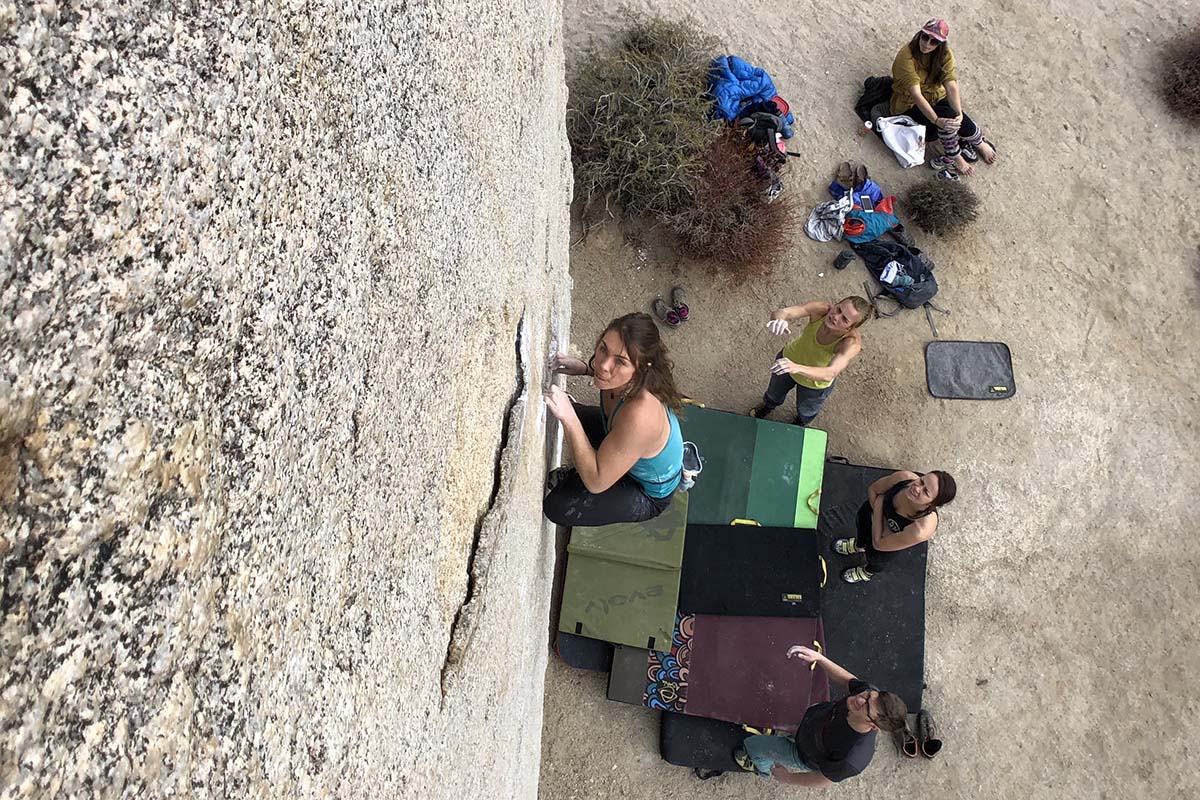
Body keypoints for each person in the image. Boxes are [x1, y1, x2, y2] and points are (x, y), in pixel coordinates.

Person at [543, 312, 685, 527]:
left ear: (640, 369)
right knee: (560, 409)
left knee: (558, 506)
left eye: (620, 361)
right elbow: (608, 368)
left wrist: (569, 419)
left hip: (644, 491)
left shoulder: (641, 416)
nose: (603, 366)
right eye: (603, 349)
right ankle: (594, 462)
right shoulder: (628, 380)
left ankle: (584, 474)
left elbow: (596, 481)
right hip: (624, 437)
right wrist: (585, 368)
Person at [734, 645, 907, 786]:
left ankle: (761, 767)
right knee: (787, 733)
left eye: (866, 706)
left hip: (802, 753)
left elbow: (823, 780)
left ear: (874, 726)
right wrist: (820, 659)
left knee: (753, 744)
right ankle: (784, 740)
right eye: (868, 695)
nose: (861, 698)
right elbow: (849, 681)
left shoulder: (853, 757)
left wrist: (787, 778)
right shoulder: (870, 695)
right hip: (810, 724)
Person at [889, 18, 998, 181]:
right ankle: (956, 156)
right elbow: (916, 95)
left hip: (934, 95)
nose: (927, 44)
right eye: (925, 37)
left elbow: (951, 85)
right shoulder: (906, 56)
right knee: (946, 118)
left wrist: (959, 113)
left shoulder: (944, 55)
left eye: (933, 41)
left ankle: (978, 142)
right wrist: (936, 120)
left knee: (953, 113)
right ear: (920, 34)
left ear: (940, 44)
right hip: (908, 105)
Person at [749, 297, 873, 426]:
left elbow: (830, 373)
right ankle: (768, 406)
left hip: (814, 383)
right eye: (838, 309)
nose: (836, 317)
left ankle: (800, 422)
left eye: (844, 319)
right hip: (788, 360)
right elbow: (783, 312)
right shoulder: (821, 310)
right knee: (774, 392)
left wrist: (797, 367)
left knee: (806, 409)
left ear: (850, 328)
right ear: (836, 304)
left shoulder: (850, 343)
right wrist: (779, 319)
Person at [834, 469, 958, 583]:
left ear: (932, 503)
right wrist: (881, 522)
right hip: (871, 518)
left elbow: (879, 544)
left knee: (876, 559)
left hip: (886, 544)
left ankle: (867, 572)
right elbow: (873, 490)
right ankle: (859, 546)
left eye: (925, 492)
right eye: (921, 481)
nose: (916, 488)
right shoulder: (903, 478)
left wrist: (879, 505)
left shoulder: (921, 529)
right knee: (862, 532)